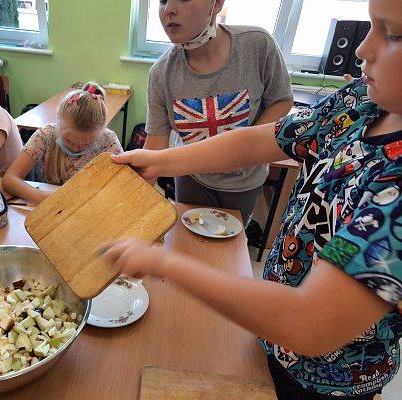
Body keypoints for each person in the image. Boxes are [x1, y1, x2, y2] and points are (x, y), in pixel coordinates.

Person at [101, 0, 402, 398]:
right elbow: (262, 139)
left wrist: (163, 261)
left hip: (328, 381)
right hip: (270, 337)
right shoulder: (361, 103)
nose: (363, 48)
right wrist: (160, 160)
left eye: (393, 33)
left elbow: (309, 324)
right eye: (370, 26)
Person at [144, 0, 293, 225]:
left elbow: (282, 100)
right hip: (190, 180)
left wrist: (246, 148)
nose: (168, 10)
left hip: (243, 184)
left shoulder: (258, 45)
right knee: (190, 246)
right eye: (163, 0)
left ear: (217, 4)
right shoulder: (160, 74)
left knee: (227, 250)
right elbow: (154, 147)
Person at [2, 82, 123, 205]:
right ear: (58, 123)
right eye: (69, 141)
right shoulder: (46, 135)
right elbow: (10, 179)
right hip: (50, 205)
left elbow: (121, 186)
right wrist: (42, 197)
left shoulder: (108, 141)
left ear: (99, 133)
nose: (76, 148)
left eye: (86, 144)